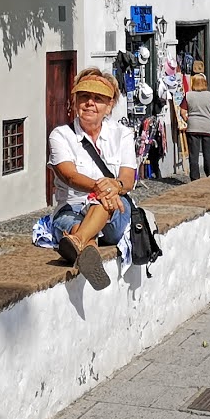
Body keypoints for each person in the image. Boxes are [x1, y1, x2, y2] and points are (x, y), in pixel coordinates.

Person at [47, 68, 139, 290]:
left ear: (109, 105)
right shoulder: (61, 135)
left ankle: (78, 241)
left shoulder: (123, 134)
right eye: (84, 97)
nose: (90, 103)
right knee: (73, 224)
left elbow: (127, 179)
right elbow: (68, 175)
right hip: (72, 208)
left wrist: (114, 186)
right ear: (75, 101)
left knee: (102, 204)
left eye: (98, 99)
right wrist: (101, 187)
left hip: (114, 212)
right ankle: (87, 246)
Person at [182, 61, 210, 180]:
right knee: (208, 154)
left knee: (193, 156)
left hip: (193, 127)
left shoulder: (188, 95)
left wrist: (188, 120)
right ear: (205, 83)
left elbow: (182, 112)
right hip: (208, 127)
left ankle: (195, 178)